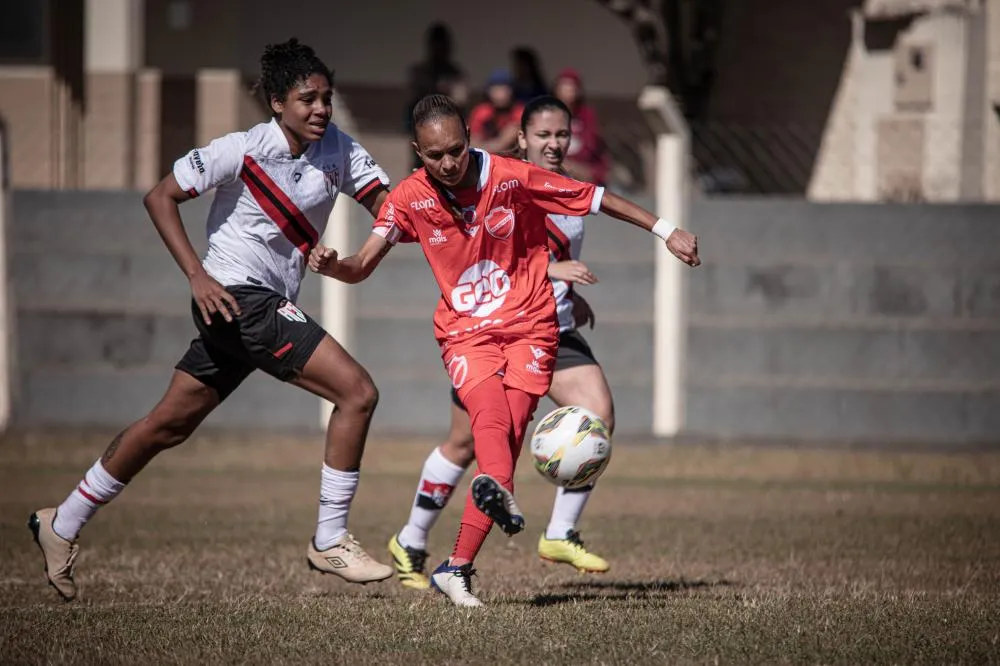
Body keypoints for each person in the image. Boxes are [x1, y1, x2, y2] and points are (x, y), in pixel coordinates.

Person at [27, 38, 395, 602]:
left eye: (326, 97)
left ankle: (62, 522)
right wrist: (198, 276)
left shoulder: (339, 150)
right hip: (240, 299)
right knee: (358, 393)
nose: (320, 108)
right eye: (307, 99)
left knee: (166, 426)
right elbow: (159, 196)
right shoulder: (241, 148)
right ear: (276, 102)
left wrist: (352, 264)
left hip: (248, 309)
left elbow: (389, 208)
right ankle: (329, 539)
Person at [307, 94, 700, 607]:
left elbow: (596, 197)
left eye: (455, 150)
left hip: (532, 326)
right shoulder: (407, 197)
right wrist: (333, 265)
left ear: (470, 136)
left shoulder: (512, 176)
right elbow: (361, 264)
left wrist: (667, 231)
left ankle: (458, 566)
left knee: (510, 435)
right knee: (488, 423)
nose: (447, 164)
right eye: (433, 155)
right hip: (467, 332)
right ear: (416, 152)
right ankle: (469, 515)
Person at [387, 96, 614, 592]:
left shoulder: (566, 191)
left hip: (550, 325)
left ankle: (559, 531)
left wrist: (568, 290)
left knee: (597, 413)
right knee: (468, 443)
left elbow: (546, 250)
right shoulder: (502, 182)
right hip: (489, 329)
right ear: (522, 139)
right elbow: (486, 254)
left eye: (562, 134)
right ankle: (412, 537)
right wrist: (551, 270)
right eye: (544, 135)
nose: (554, 144)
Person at [552, 68, 609, 185]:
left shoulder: (587, 115)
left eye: (572, 86)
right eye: (564, 86)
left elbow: (591, 146)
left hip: (582, 169)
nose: (569, 90)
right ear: (556, 89)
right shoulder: (547, 114)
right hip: (555, 165)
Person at [468, 70, 523, 155]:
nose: (500, 94)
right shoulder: (481, 111)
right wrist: (500, 142)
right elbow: (473, 144)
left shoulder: (519, 112)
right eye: (496, 89)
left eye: (504, 89)